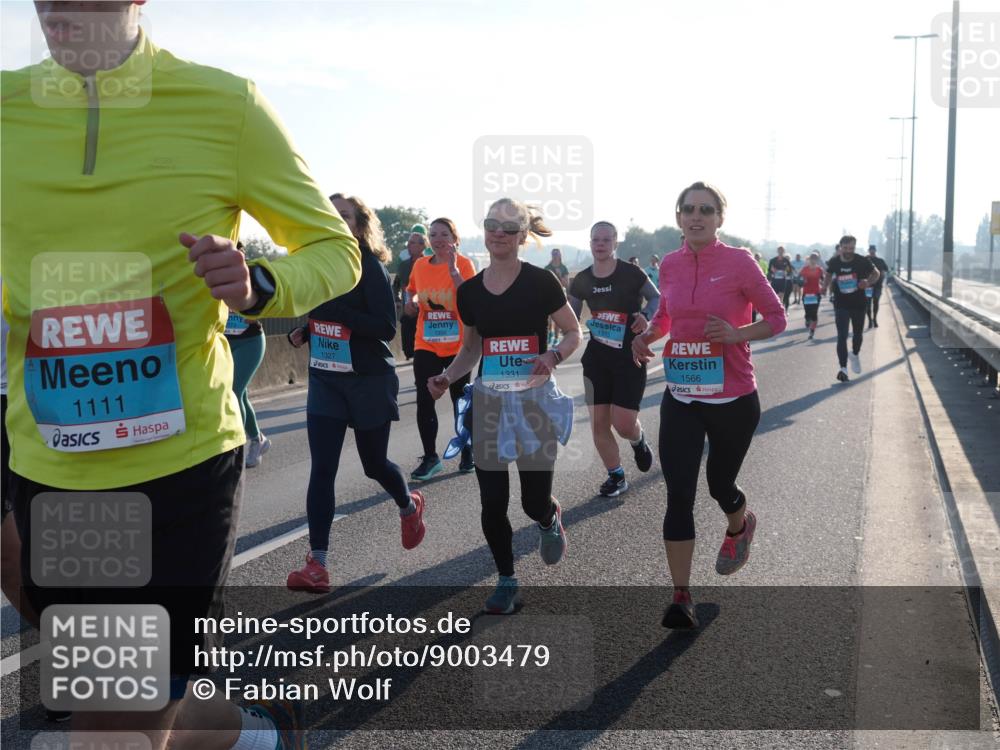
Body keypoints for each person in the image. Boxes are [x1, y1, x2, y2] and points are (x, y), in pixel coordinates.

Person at [1, 4, 361, 747]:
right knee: (130, 696)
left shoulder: (224, 104)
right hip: (52, 465)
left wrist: (259, 285)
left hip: (181, 463)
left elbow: (335, 249)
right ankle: (250, 735)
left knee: (112, 726)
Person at [632, 181, 786, 630]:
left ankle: (740, 524)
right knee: (679, 492)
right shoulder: (672, 264)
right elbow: (667, 317)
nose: (696, 216)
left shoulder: (739, 261)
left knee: (721, 486)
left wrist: (738, 334)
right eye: (688, 209)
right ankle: (681, 596)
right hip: (681, 395)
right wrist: (647, 336)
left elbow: (775, 317)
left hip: (733, 396)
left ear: (720, 218)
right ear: (678, 217)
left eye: (706, 209)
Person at [429, 198, 581, 614]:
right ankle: (507, 580)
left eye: (508, 227)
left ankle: (549, 518)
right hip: (490, 404)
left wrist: (551, 357)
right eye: (491, 224)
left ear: (522, 235)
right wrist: (448, 376)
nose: (498, 232)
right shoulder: (472, 291)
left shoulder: (542, 282)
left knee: (532, 502)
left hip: (533, 404)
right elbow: (471, 348)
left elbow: (572, 332)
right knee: (492, 501)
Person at [285, 194, 425, 594]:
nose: (336, 220)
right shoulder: (316, 263)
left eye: (344, 215)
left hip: (368, 380)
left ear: (360, 225)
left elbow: (385, 327)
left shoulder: (370, 267)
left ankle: (408, 505)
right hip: (326, 378)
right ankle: (318, 564)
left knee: (373, 464)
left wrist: (332, 315)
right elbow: (320, 315)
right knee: (322, 469)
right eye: (330, 214)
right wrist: (307, 330)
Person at [568, 221, 658, 497]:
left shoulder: (631, 273)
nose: (600, 244)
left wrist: (646, 317)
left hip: (629, 355)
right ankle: (616, 475)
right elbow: (569, 313)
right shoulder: (582, 278)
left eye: (606, 239)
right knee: (598, 422)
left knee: (623, 423)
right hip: (597, 358)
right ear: (590, 242)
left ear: (615, 243)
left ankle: (638, 440)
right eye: (596, 239)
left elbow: (656, 298)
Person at [405, 217, 477, 479]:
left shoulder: (466, 264)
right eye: (433, 235)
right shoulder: (420, 265)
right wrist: (411, 302)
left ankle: (467, 449)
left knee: (460, 401)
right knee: (425, 399)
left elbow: (471, 299)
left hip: (460, 345)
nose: (438, 239)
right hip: (427, 342)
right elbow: (412, 290)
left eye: (444, 234)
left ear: (454, 239)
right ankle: (431, 457)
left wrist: (454, 271)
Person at [226, 243, 270, 467]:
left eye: (239, 254)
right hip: (225, 342)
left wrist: (242, 300)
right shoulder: (213, 278)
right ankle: (258, 439)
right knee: (240, 394)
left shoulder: (251, 276)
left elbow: (260, 311)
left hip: (250, 342)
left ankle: (236, 450)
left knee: (234, 392)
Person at [824, 235, 880, 382]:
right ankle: (843, 368)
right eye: (846, 248)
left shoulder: (862, 260)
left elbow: (877, 273)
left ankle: (854, 354)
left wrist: (867, 282)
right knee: (842, 336)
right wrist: (824, 286)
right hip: (841, 303)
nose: (849, 251)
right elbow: (829, 274)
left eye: (852, 248)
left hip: (858, 303)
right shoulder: (834, 261)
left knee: (857, 335)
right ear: (840, 247)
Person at [391, 226, 429, 360]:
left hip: (425, 310)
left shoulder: (429, 263)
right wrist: (396, 299)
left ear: (423, 246)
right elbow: (396, 284)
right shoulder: (404, 265)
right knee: (408, 345)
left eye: (413, 242)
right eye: (409, 242)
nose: (409, 245)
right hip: (407, 309)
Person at [543, 247, 570, 346]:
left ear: (560, 256)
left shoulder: (563, 268)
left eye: (556, 254)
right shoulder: (547, 268)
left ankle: (556, 337)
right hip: (548, 293)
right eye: (553, 254)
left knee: (558, 318)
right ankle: (549, 334)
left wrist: (559, 275)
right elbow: (544, 283)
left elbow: (566, 283)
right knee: (548, 317)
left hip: (560, 294)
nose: (555, 256)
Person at [800, 252, 826, 340]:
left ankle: (812, 331)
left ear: (817, 260)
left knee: (814, 313)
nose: (813, 260)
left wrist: (823, 287)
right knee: (807, 312)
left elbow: (823, 280)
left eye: (815, 259)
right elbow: (798, 279)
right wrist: (802, 281)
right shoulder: (804, 269)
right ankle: (807, 319)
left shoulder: (820, 270)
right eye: (812, 258)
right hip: (806, 293)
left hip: (816, 293)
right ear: (809, 259)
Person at [866, 245, 889, 328]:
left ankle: (874, 319)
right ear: (869, 251)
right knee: (868, 304)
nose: (872, 251)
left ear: (875, 251)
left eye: (873, 250)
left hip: (878, 286)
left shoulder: (880, 261)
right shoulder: (866, 260)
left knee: (876, 302)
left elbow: (886, 269)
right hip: (868, 286)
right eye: (871, 250)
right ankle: (869, 320)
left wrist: (882, 274)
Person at [767, 246, 794, 312]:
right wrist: (772, 271)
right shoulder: (773, 260)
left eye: (782, 250)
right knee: (774, 296)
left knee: (781, 296)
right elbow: (769, 270)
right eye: (779, 250)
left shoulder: (786, 260)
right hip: (775, 281)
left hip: (782, 281)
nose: (780, 252)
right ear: (777, 251)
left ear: (784, 251)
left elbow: (790, 271)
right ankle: (775, 310)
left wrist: (786, 272)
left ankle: (780, 311)